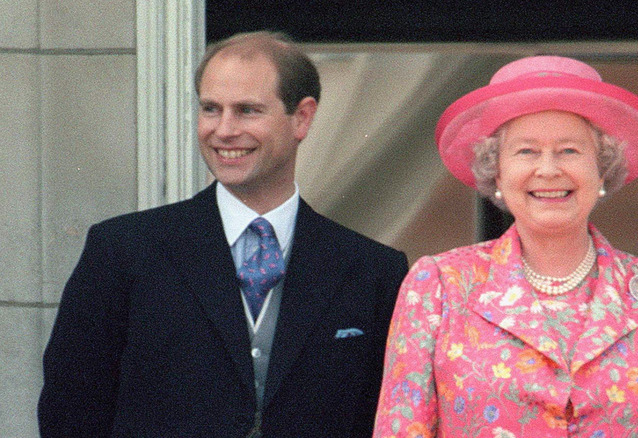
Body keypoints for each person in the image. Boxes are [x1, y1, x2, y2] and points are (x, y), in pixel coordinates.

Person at [38, 31, 408, 437]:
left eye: (248, 111)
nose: (224, 130)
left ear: (302, 117)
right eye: (211, 109)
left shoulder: (374, 270)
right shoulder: (123, 252)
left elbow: (386, 421)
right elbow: (69, 415)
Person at [373, 56, 638, 436]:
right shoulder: (439, 286)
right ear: (497, 172)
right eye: (526, 151)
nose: (549, 169)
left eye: (569, 150)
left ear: (602, 167)